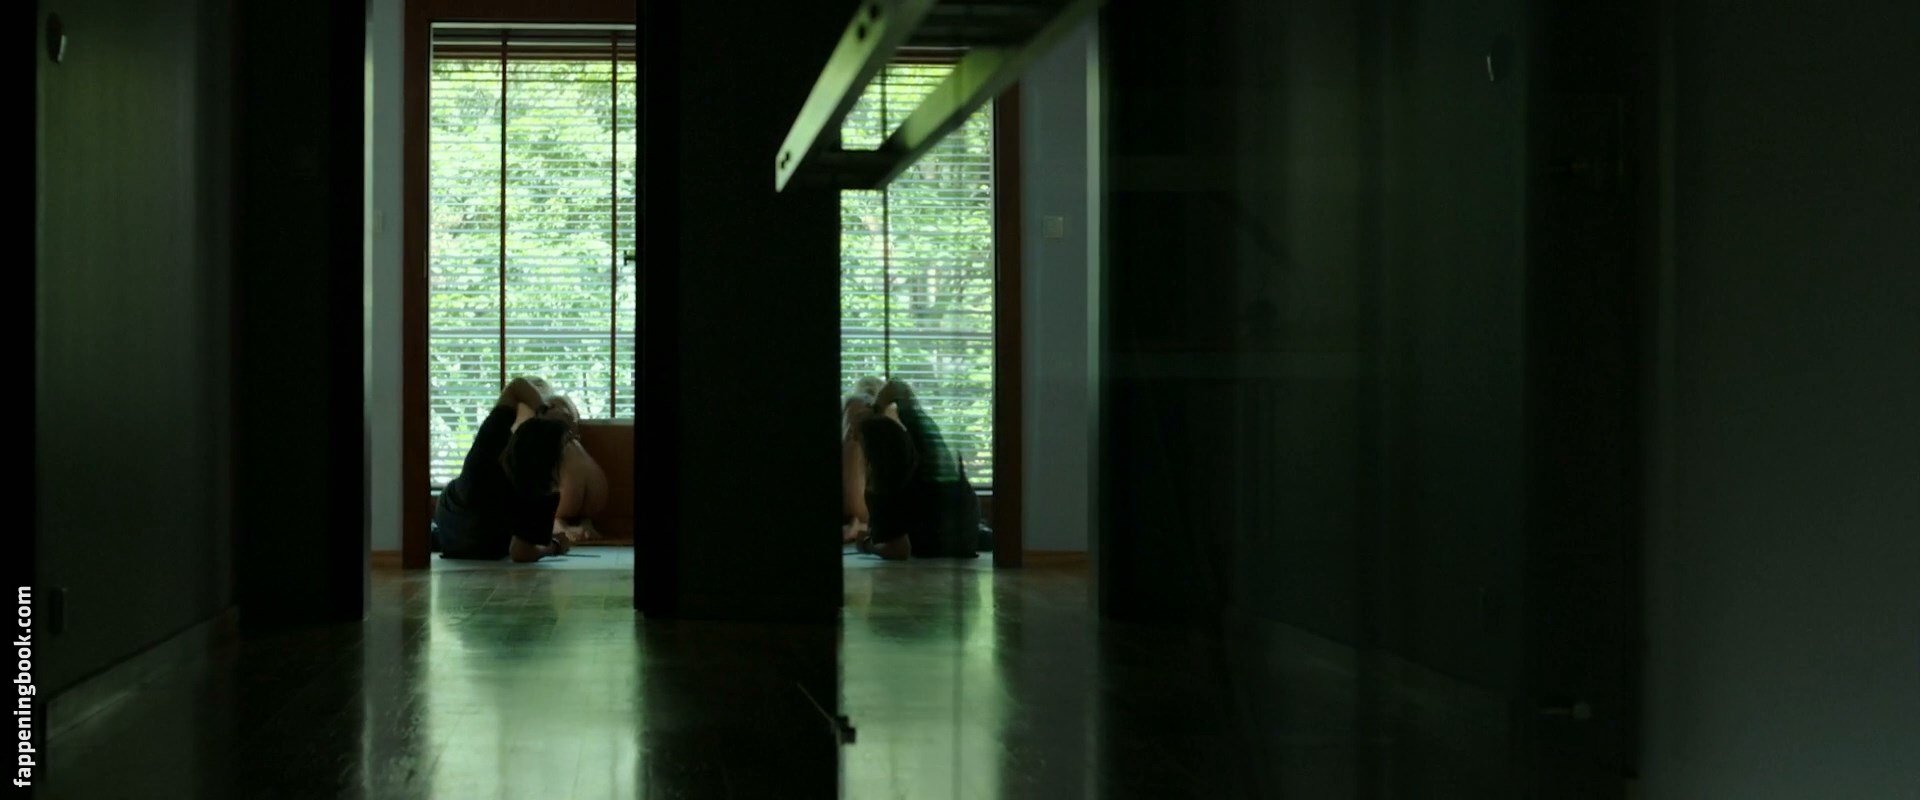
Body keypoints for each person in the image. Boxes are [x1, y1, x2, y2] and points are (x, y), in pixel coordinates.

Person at [432, 376, 581, 562]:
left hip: (456, 532)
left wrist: (543, 411)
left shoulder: (491, 446)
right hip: (477, 539)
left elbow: (516, 387)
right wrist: (555, 546)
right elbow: (521, 552)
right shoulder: (542, 485)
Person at [858, 379, 980, 560]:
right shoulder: (926, 436)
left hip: (932, 548)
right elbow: (897, 389)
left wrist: (866, 544)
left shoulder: (887, 466)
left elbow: (899, 549)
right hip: (965, 539)